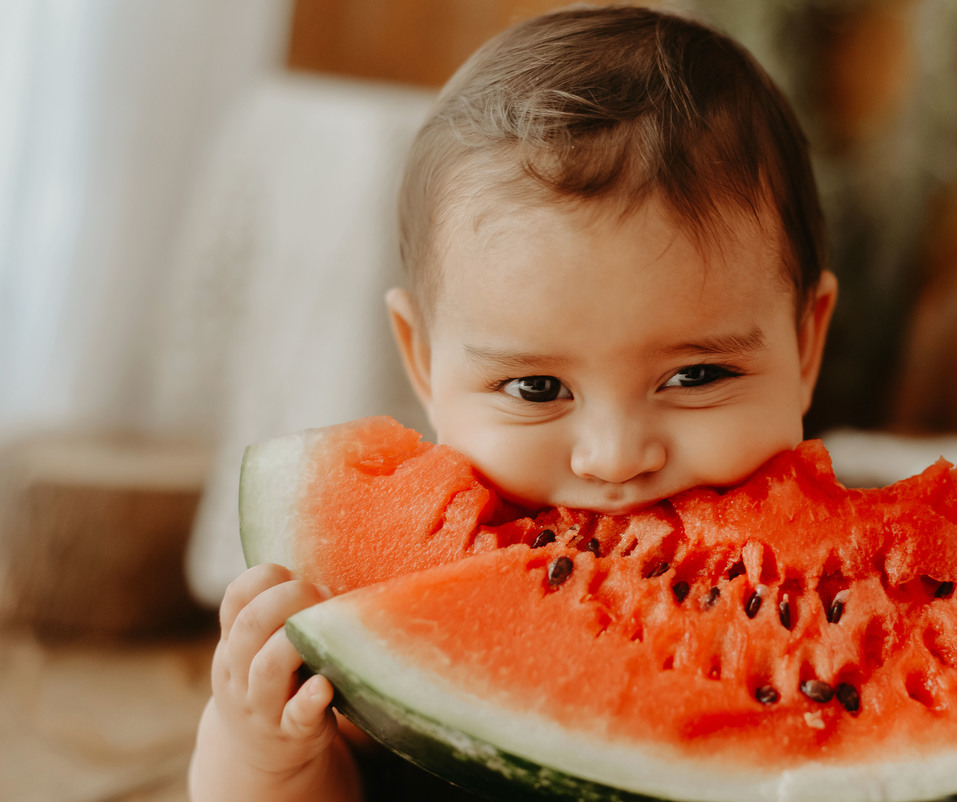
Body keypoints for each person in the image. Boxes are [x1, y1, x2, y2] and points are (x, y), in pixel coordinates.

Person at [188, 4, 837, 800]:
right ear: (423, 362)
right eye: (537, 388)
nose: (614, 457)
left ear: (807, 344)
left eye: (697, 376)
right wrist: (268, 757)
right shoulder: (392, 611)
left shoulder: (845, 609)